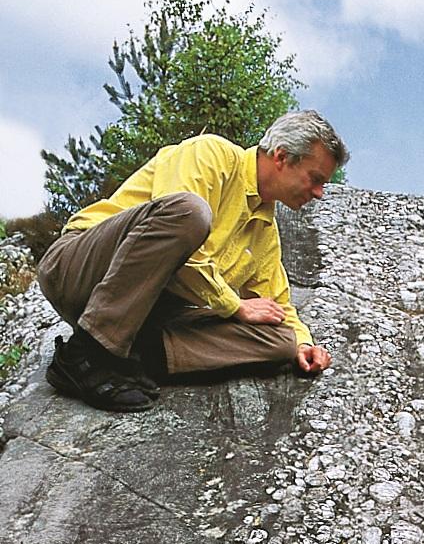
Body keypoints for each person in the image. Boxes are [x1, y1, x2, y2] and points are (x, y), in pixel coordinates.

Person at [37, 110, 350, 412]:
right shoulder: (211, 154)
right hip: (78, 271)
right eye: (315, 178)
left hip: (146, 312)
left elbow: (278, 305)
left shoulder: (264, 230)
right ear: (281, 157)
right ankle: (85, 355)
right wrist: (234, 305)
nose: (321, 193)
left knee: (280, 341)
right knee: (189, 212)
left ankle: (138, 355)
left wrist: (303, 344)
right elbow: (180, 237)